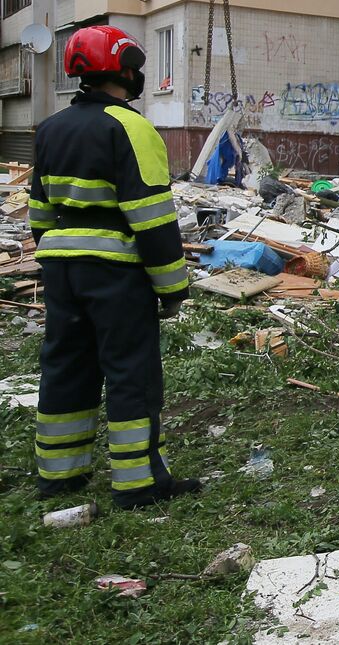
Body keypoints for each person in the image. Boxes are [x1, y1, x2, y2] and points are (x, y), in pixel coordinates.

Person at [30, 25, 201, 509]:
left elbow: (39, 214)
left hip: (62, 267)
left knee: (65, 364)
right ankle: (139, 483)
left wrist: (61, 258)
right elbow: (151, 219)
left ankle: (59, 476)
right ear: (125, 70)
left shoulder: (50, 129)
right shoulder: (131, 127)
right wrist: (172, 289)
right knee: (130, 371)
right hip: (115, 271)